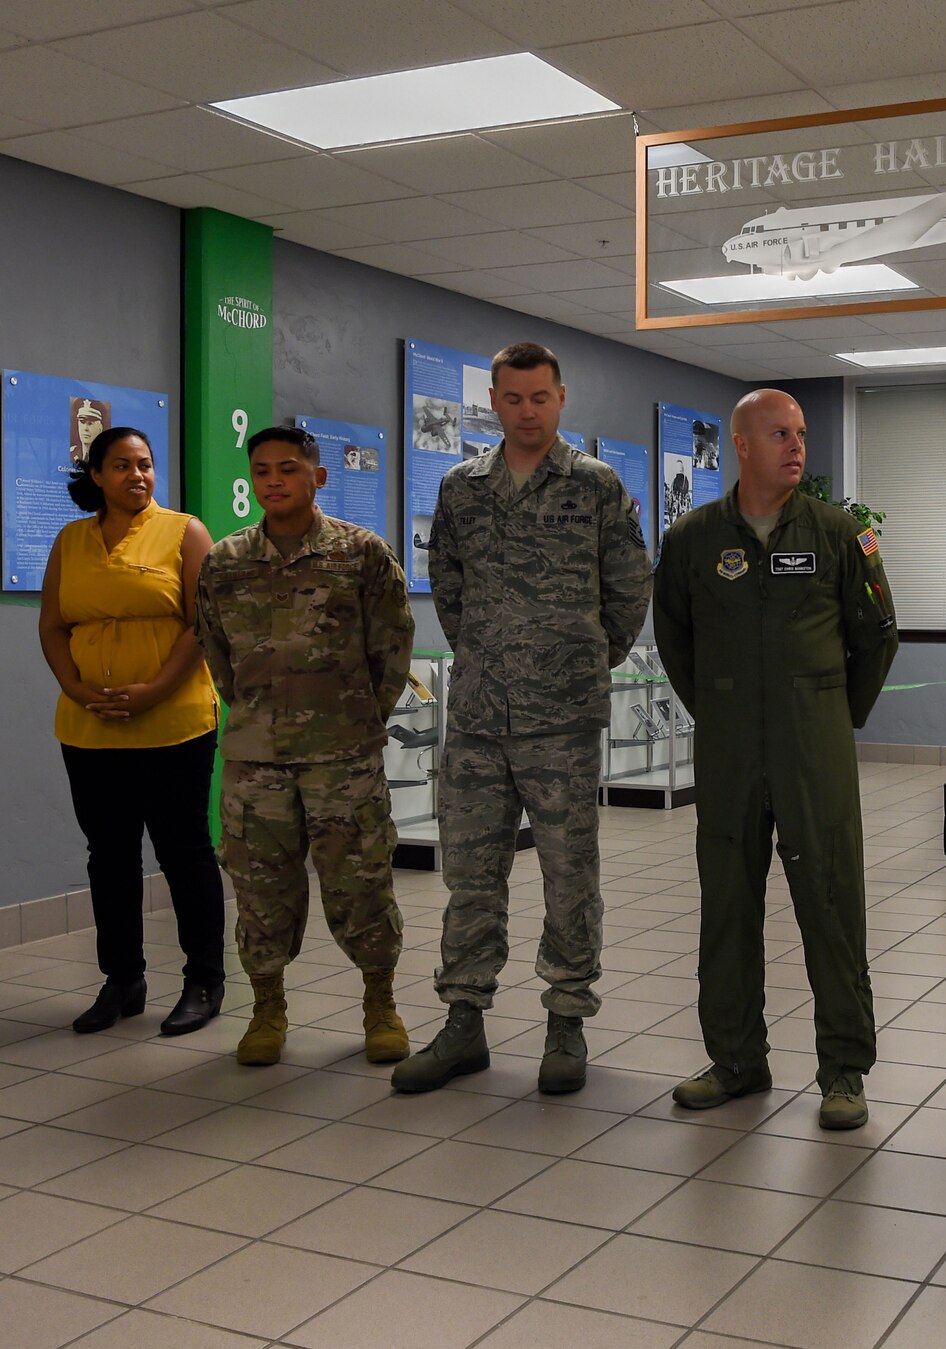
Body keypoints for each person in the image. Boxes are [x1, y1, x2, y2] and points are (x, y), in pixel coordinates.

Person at [394, 342, 651, 1097]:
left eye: (540, 397)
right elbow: (446, 580)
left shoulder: (597, 486)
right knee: (471, 875)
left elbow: (629, 590)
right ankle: (463, 1019)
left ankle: (567, 1018)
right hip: (477, 714)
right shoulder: (460, 487)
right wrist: (487, 650)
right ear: (494, 403)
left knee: (571, 876)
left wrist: (578, 658)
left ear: (561, 399)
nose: (527, 410)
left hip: (563, 718)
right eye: (512, 398)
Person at [655, 389, 898, 1129]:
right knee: (727, 905)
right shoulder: (694, 538)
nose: (796, 445)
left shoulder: (837, 533)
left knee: (829, 901)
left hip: (811, 746)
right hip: (729, 748)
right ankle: (735, 1059)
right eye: (778, 433)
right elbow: (675, 638)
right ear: (740, 444)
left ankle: (844, 1068)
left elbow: (877, 635)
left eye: (800, 432)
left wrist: (829, 712)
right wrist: (723, 707)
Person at [195, 426, 415, 1068]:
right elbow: (218, 656)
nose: (274, 481)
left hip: (343, 756)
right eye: (261, 470)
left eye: (288, 469)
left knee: (361, 882)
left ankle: (381, 1003)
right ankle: (267, 1007)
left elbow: (392, 644)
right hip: (255, 760)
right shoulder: (227, 561)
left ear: (318, 476)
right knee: (261, 890)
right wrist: (260, 717)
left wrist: (357, 718)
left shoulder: (360, 554)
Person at [38, 426, 226, 1036]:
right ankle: (123, 980)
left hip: (172, 722)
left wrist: (154, 691)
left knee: (185, 854)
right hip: (90, 727)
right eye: (122, 466)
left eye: (145, 465)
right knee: (109, 858)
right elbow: (52, 626)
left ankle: (204, 980)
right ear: (96, 475)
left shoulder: (184, 531)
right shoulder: (70, 540)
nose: (138, 476)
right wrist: (73, 686)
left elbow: (203, 624)